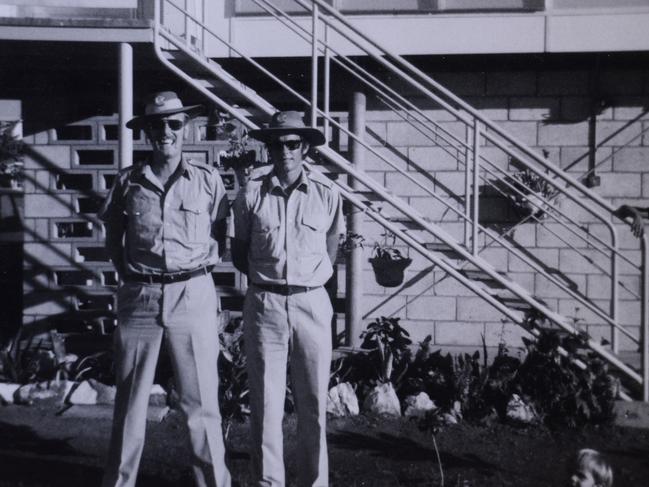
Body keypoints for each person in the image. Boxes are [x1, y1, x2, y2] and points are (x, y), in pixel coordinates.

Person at [99, 91, 231, 487]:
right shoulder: (128, 181)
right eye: (157, 125)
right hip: (141, 298)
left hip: (191, 295)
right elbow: (113, 238)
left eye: (174, 124)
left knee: (201, 404)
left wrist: (194, 276)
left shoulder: (207, 181)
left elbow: (220, 235)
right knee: (130, 405)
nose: (166, 132)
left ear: (185, 128)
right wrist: (132, 278)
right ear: (147, 132)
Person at [231, 111, 345, 486]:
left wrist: (306, 285)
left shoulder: (327, 193)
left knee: (313, 403)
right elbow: (240, 252)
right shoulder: (251, 192)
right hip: (266, 304)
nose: (285, 151)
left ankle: (315, 482)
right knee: (265, 404)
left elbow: (331, 249)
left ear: (306, 148)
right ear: (269, 147)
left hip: (311, 303)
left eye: (293, 143)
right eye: (277, 143)